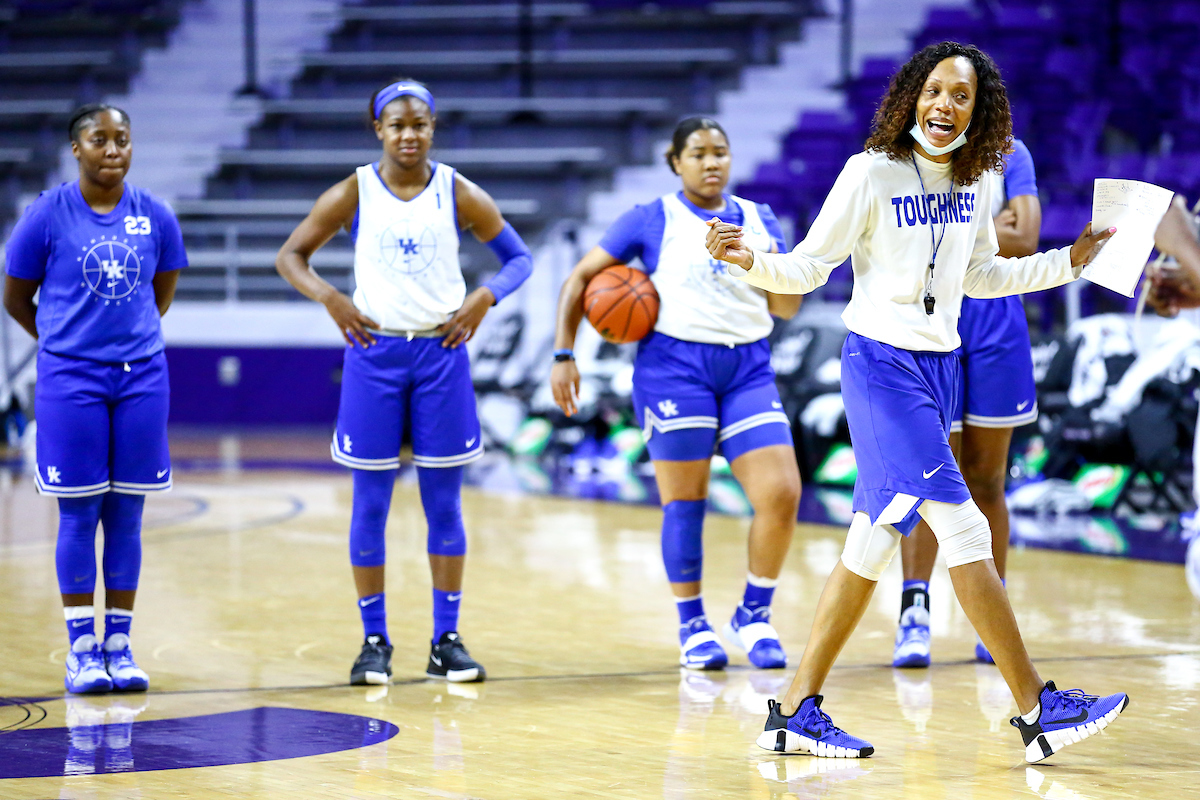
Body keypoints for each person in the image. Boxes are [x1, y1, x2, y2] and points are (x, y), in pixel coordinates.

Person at [706, 42, 1129, 762]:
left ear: (980, 111)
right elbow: (810, 266)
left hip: (941, 370)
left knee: (869, 543)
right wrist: (750, 261)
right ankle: (1038, 709)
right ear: (912, 97)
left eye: (960, 96)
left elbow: (984, 276)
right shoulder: (870, 172)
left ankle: (792, 713)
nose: (944, 105)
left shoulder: (978, 182)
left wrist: (1072, 260)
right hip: (880, 370)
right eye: (934, 91)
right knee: (963, 528)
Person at [275, 79, 532, 685]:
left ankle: (446, 639)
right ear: (378, 131)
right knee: (371, 506)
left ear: (433, 127)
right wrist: (331, 298)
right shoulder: (353, 192)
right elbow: (291, 256)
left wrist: (483, 299)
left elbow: (519, 258)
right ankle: (374, 642)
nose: (408, 134)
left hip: (441, 356)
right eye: (397, 125)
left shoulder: (457, 192)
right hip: (376, 354)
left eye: (419, 124)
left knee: (444, 505)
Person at [551, 116, 803, 671]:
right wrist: (564, 354)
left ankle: (753, 614)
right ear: (675, 162)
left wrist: (751, 261)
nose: (711, 162)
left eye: (720, 152)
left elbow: (785, 306)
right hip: (674, 369)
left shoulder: (759, 220)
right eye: (697, 153)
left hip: (748, 368)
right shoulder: (650, 218)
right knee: (685, 501)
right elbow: (578, 280)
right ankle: (692, 624)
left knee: (782, 492)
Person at [3, 104, 186, 694]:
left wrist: (123, 341)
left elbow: (161, 292)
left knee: (127, 514)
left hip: (141, 379)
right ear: (75, 149)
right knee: (79, 512)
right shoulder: (46, 215)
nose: (113, 149)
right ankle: (81, 649)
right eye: (99, 139)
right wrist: (63, 342)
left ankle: (120, 645)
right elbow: (15, 296)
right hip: (70, 380)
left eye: (122, 139)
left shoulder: (154, 213)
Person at [893, 137, 1042, 668]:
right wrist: (983, 232)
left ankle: (992, 618)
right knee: (933, 477)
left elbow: (1025, 237)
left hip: (996, 316)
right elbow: (907, 242)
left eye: (969, 92)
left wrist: (956, 235)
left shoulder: (1010, 153)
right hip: (933, 317)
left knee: (986, 479)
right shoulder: (909, 156)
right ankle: (915, 610)